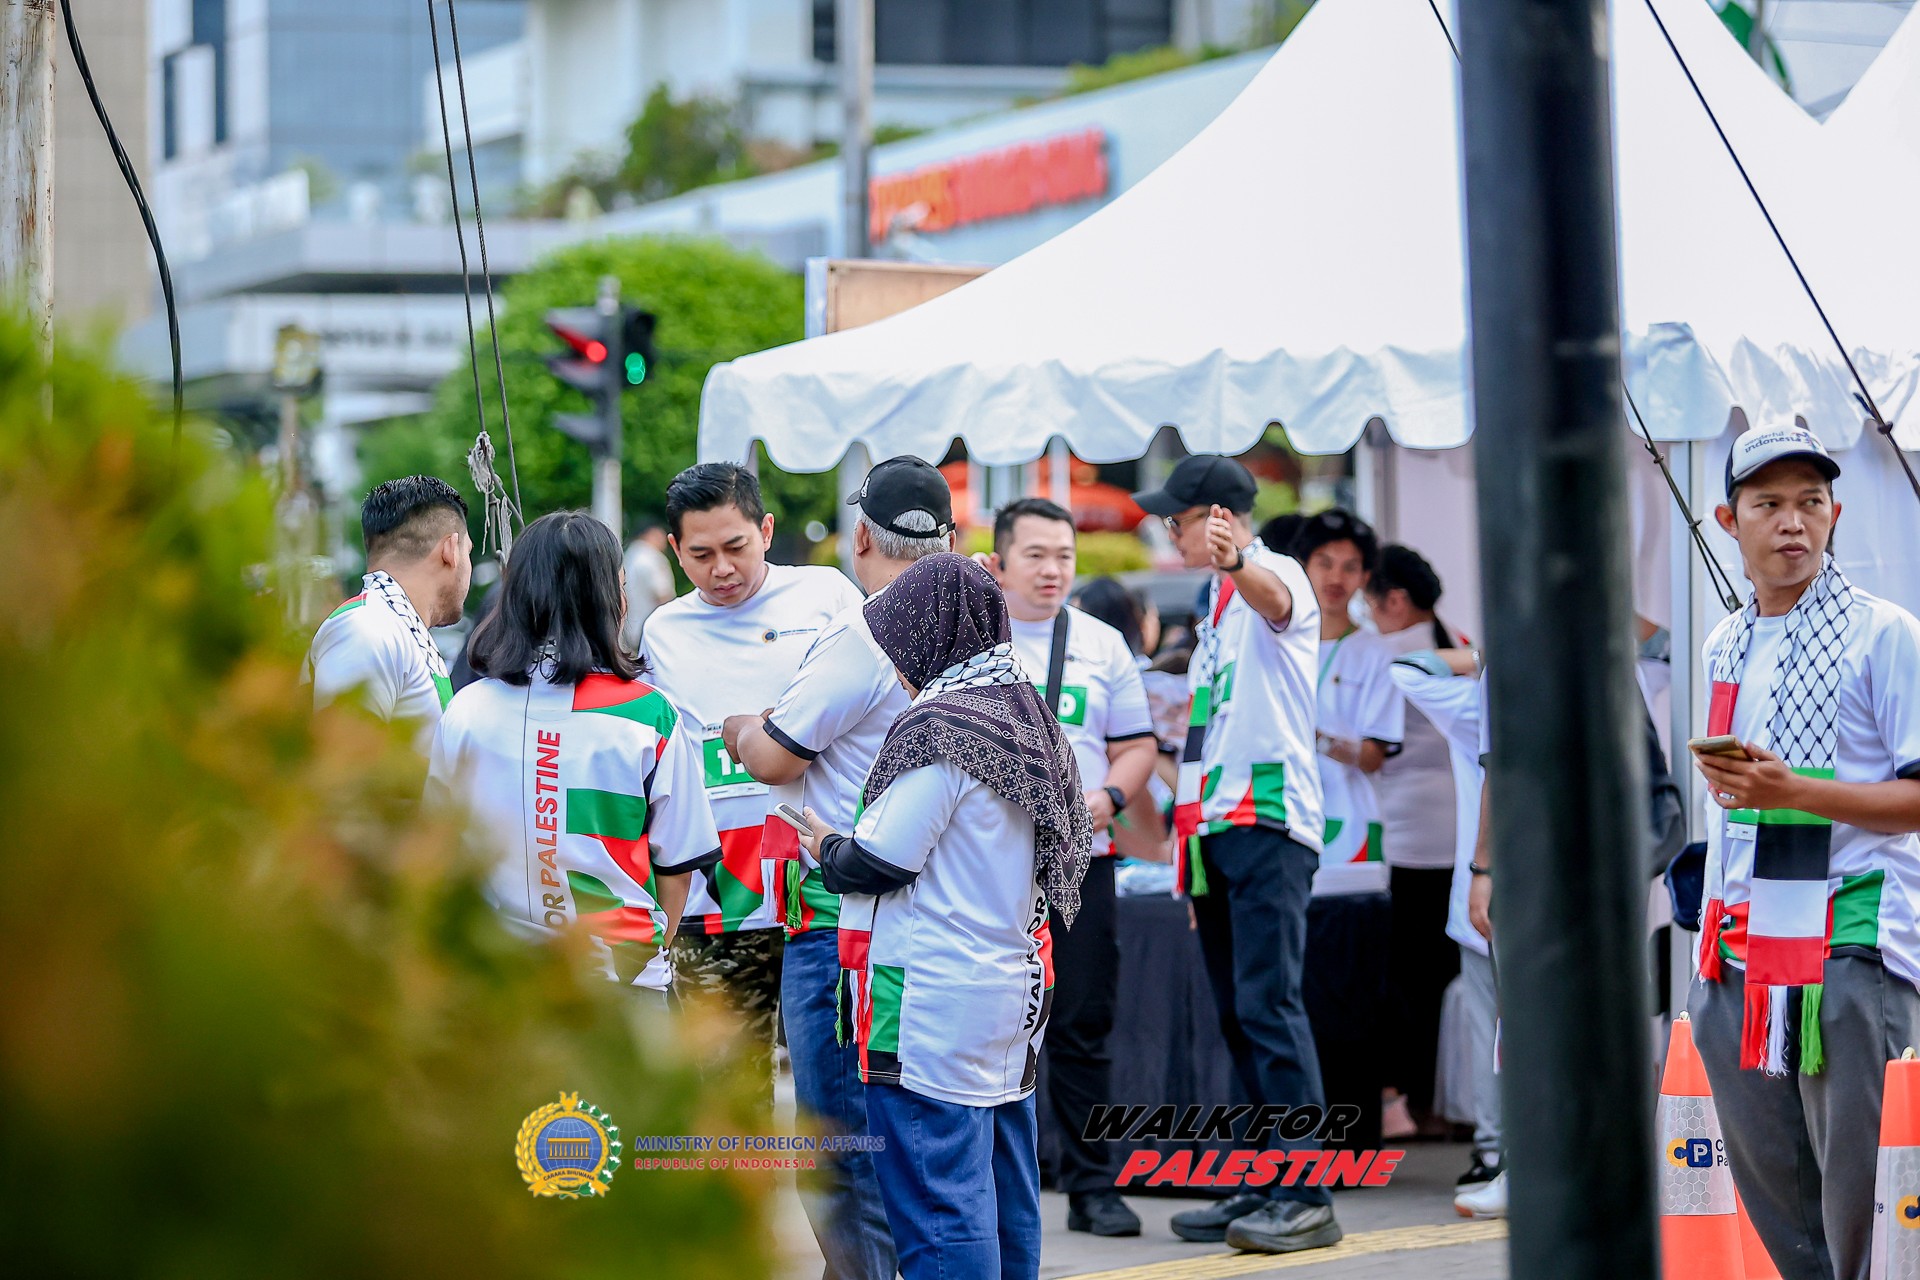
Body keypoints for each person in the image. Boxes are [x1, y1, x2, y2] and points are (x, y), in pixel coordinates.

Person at [792, 553, 1094, 1280]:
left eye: (899, 641)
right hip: (1012, 991)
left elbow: (882, 860)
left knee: (938, 1205)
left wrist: (824, 845)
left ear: (929, 635)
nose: (897, 665)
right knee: (1005, 1191)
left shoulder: (940, 728)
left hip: (933, 999)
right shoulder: (1028, 714)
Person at [1688, 426, 1920, 1280]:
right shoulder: (1725, 641)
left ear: (1835, 514)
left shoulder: (1885, 633)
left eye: (1810, 502)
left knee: (1867, 1212)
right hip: (1735, 952)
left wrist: (1795, 792)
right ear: (1729, 520)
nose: (1793, 521)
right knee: (1784, 1218)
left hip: (1850, 942)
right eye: (1770, 504)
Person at [722, 456, 959, 1280]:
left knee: (840, 1151)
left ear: (860, 536)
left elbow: (773, 758)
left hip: (838, 919)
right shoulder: (967, 631)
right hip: (930, 913)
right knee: (907, 1140)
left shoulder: (866, 633)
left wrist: (740, 725)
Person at [1131, 455, 1342, 1255]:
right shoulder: (1216, 600)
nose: (1170, 534)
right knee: (1240, 1014)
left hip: (1267, 822)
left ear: (1218, 518)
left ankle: (1306, 1192)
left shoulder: (1270, 571)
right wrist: (1188, 848)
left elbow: (1279, 601)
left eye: (1177, 521)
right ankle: (1268, 1180)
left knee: (1269, 1008)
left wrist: (1238, 559)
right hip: (1216, 828)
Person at [639, 463, 865, 1107]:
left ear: (765, 530)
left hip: (818, 891)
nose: (722, 569)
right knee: (728, 1102)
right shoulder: (662, 632)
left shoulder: (828, 597)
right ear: (675, 549)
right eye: (701, 555)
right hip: (715, 896)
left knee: (836, 1103)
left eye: (736, 546)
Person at [426, 511, 721, 997]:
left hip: (499, 986)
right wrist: (643, 957)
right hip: (624, 987)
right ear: (607, 600)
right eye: (620, 586)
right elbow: (678, 865)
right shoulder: (650, 715)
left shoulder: (466, 710)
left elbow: (438, 851)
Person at [983, 500, 1162, 1238]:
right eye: (1036, 555)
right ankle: (995, 1185)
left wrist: (1107, 799)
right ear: (999, 563)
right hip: (988, 866)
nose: (1053, 570)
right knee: (992, 1024)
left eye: (1064, 555)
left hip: (1082, 861)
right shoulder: (973, 641)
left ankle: (1092, 1185)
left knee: (1083, 1021)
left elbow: (1138, 744)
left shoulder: (1101, 643)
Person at [1289, 510, 1403, 1151]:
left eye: (1350, 566)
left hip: (1352, 840)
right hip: (1285, 828)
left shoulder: (1374, 652)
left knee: (1350, 995)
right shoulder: (1280, 637)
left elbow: (1375, 755)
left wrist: (1315, 738)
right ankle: (1300, 1137)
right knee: (1295, 991)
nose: (1336, 577)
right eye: (1324, 563)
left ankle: (1353, 1137)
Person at [1364, 545, 1471, 1145]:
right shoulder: (1459, 643)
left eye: (1370, 600)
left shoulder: (1392, 656)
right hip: (1457, 835)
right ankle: (1445, 1100)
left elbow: (1368, 749)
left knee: (1402, 980)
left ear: (1396, 600)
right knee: (1447, 979)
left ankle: (1402, 1098)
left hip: (1403, 838)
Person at [308, 475, 473, 733]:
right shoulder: (368, 628)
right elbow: (343, 753)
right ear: (450, 549)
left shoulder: (394, 627)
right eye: (468, 552)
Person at [621, 518, 676, 652]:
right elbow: (663, 596)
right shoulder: (652, 557)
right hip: (654, 630)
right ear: (650, 534)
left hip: (631, 630)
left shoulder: (630, 556)